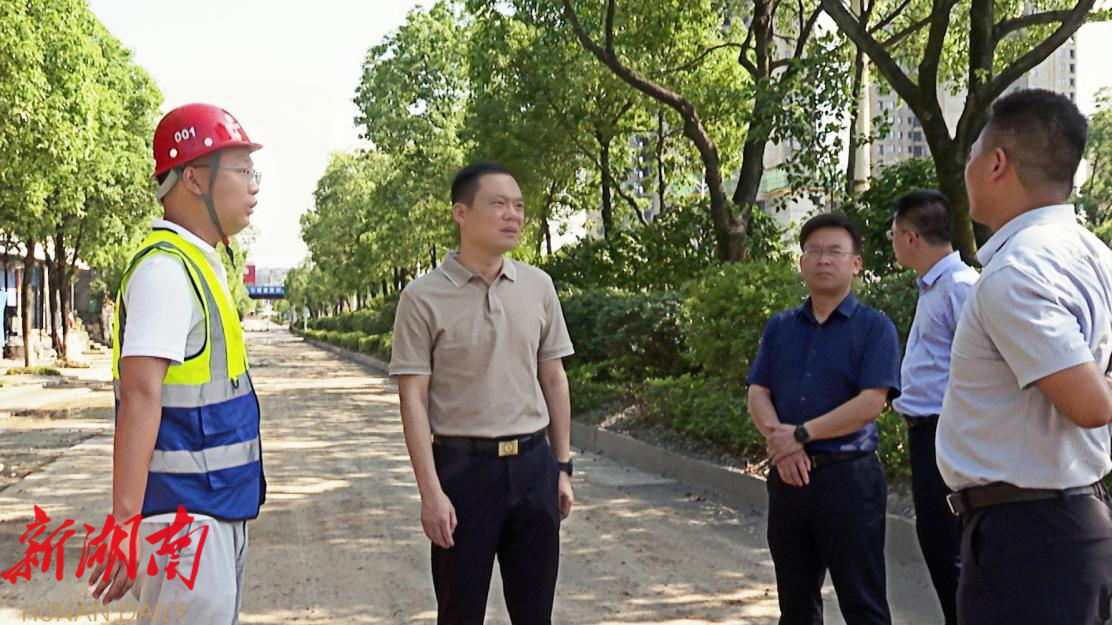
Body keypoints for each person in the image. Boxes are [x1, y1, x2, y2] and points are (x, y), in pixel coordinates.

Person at [937, 88, 1112, 625]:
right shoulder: (1094, 255)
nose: (965, 168)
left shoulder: (1017, 271)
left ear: (997, 163)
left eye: (971, 154)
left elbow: (1090, 404)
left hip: (1031, 541)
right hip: (1061, 526)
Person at [92, 103, 266, 625]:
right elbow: (140, 394)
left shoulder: (198, 265)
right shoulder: (166, 272)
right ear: (193, 178)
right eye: (242, 170)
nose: (254, 186)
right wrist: (124, 522)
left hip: (214, 512)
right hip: (185, 523)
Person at [390, 162, 575, 625]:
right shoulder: (422, 297)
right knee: (460, 613)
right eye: (498, 204)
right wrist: (430, 493)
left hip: (534, 466)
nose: (513, 215)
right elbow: (413, 398)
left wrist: (562, 466)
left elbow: (554, 378)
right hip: (463, 472)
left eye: (519, 206)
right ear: (461, 213)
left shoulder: (538, 286)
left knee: (535, 613)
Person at [748, 212, 901, 625]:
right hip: (788, 480)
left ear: (856, 263)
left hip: (849, 480)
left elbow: (871, 403)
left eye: (835, 251)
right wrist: (782, 446)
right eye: (813, 251)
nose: (823, 259)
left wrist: (800, 435)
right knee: (795, 605)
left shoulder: (874, 328)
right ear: (801, 261)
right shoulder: (781, 327)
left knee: (863, 603)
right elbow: (758, 392)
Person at [888, 189, 977, 625]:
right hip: (928, 434)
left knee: (949, 548)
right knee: (939, 545)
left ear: (910, 237)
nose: (892, 241)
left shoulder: (959, 287)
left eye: (892, 232)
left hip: (949, 432)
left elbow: (985, 367)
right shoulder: (935, 286)